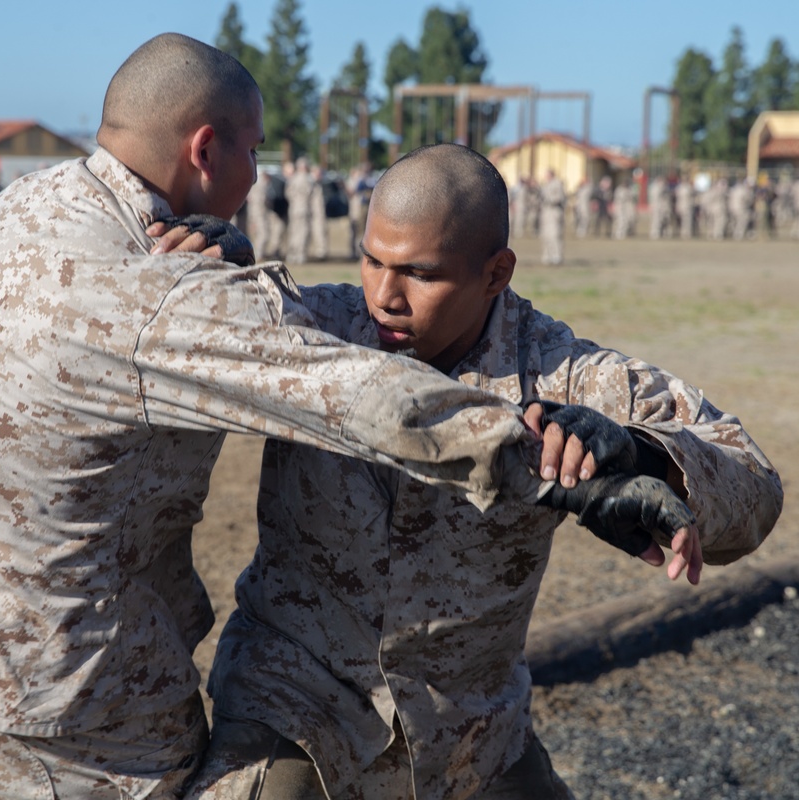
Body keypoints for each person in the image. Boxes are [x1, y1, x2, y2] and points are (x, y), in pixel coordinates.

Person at [0, 35, 653, 800]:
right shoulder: (161, 287)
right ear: (206, 150)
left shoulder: (30, 211)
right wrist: (561, 471)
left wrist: (243, 279)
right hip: (68, 706)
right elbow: (352, 393)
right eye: (252, 154)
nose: (255, 177)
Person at [185, 144, 782, 799]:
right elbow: (178, 344)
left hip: (469, 738)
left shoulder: (559, 372)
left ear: (496, 273)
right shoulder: (314, 325)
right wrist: (215, 280)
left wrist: (643, 453)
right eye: (372, 260)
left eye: (419, 272)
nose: (385, 295)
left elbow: (754, 481)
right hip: (296, 708)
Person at [538, 169, 565, 265]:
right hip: (545, 212)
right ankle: (547, 256)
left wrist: (549, 199)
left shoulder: (557, 184)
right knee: (545, 236)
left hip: (554, 212)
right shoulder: (545, 185)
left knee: (554, 235)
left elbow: (559, 197)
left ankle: (556, 256)